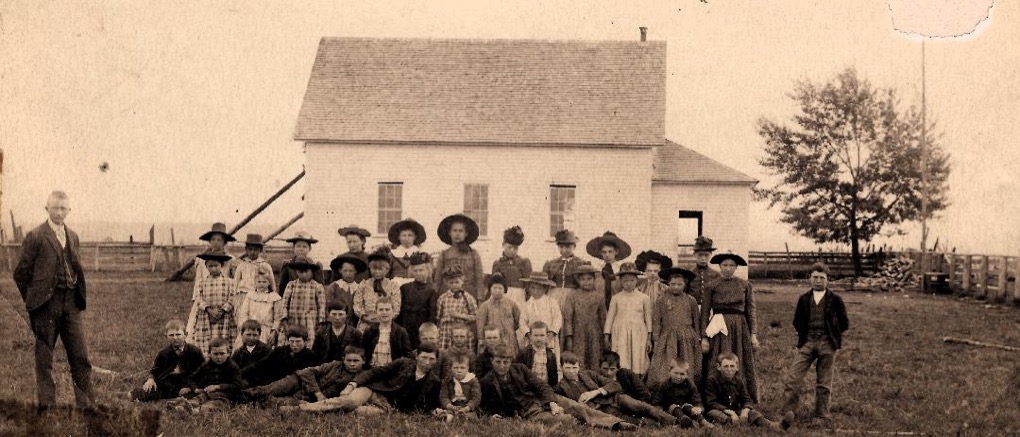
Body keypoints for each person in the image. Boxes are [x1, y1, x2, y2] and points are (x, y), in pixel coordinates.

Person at [13, 191, 97, 412]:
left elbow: (76, 267)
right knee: (44, 359)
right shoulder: (36, 236)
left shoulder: (74, 236)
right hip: (45, 307)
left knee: (80, 356)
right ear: (47, 208)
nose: (59, 212)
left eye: (63, 208)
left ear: (69, 210)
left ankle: (87, 406)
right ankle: (47, 407)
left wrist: (77, 295)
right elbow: (21, 273)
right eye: (55, 208)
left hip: (71, 305)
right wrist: (34, 301)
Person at [478, 344, 633, 430]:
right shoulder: (487, 381)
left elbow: (541, 385)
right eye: (498, 362)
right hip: (529, 412)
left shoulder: (520, 369)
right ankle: (600, 426)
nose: (502, 366)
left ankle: (617, 423)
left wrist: (552, 403)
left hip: (545, 400)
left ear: (510, 361)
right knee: (568, 420)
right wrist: (492, 416)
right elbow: (482, 406)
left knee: (579, 408)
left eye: (506, 362)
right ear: (492, 361)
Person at [782, 262, 850, 421]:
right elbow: (797, 321)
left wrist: (831, 332)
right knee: (793, 378)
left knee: (824, 382)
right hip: (808, 342)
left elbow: (844, 323)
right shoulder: (804, 299)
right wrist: (805, 336)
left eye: (822, 277)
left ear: (828, 280)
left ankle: (821, 415)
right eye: (815, 277)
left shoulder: (836, 300)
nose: (818, 281)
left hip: (827, 343)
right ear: (809, 278)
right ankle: (787, 413)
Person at [298, 342, 443, 415]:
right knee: (348, 401)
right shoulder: (404, 363)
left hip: (388, 408)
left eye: (431, 359)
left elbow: (428, 407)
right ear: (417, 355)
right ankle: (299, 409)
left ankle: (311, 407)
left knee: (352, 412)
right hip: (373, 392)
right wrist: (353, 384)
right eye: (424, 357)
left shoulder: (434, 382)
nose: (427, 362)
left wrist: (439, 412)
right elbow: (375, 372)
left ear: (436, 360)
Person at [699, 251, 760, 402]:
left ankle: (743, 397)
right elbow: (705, 312)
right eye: (725, 265)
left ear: (736, 267)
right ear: (719, 266)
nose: (728, 268)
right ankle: (715, 397)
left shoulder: (745, 285)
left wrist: (753, 334)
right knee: (717, 359)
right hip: (719, 327)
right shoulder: (711, 286)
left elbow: (751, 311)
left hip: (740, 327)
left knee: (741, 359)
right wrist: (704, 337)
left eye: (731, 265)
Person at [243, 345, 369, 406]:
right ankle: (236, 395)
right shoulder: (335, 365)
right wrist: (318, 393)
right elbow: (306, 372)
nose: (352, 364)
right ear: (343, 359)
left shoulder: (363, 377)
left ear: (363, 361)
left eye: (356, 361)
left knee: (279, 402)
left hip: (308, 399)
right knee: (267, 390)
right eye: (349, 360)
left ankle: (250, 403)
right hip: (298, 381)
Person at [580, 351, 678, 427]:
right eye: (605, 369)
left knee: (645, 408)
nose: (609, 373)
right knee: (628, 420)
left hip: (637, 405)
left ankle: (674, 421)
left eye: (612, 369)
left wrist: (635, 408)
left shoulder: (626, 374)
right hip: (616, 410)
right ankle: (655, 424)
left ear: (618, 368)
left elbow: (645, 394)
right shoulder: (598, 378)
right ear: (599, 367)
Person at [704, 353, 791, 429]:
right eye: (726, 366)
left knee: (753, 413)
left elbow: (747, 399)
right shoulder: (712, 380)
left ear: (737, 367)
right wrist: (729, 412)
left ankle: (774, 426)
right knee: (714, 414)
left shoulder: (739, 381)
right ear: (719, 367)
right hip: (719, 410)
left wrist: (745, 411)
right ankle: (734, 423)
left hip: (735, 410)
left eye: (732, 366)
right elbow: (711, 402)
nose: (729, 369)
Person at [647, 267, 701, 387]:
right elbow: (657, 321)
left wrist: (698, 337)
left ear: (685, 284)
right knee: (665, 365)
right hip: (668, 337)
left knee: (687, 363)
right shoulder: (661, 300)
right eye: (673, 284)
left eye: (679, 284)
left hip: (687, 337)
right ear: (668, 284)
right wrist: (656, 339)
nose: (676, 287)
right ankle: (664, 390)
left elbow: (696, 320)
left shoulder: (691, 300)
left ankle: (688, 389)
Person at [130, 320, 204, 402]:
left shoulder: (195, 352)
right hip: (168, 385)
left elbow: (202, 372)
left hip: (187, 384)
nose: (175, 338)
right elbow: (154, 370)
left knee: (193, 394)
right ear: (166, 336)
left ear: (185, 335)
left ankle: (175, 401)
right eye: (171, 335)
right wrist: (151, 379)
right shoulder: (163, 353)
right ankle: (125, 395)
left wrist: (190, 386)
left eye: (178, 334)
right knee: (147, 391)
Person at [186, 222, 235, 342]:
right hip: (205, 300)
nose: (216, 242)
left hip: (223, 300)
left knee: (224, 333)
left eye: (219, 240)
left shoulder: (231, 260)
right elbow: (198, 280)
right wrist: (198, 302)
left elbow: (233, 281)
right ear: (209, 241)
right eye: (213, 239)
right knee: (200, 332)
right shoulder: (202, 260)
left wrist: (225, 307)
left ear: (224, 242)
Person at [170, 338, 244, 413]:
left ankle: (195, 411)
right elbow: (192, 378)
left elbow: (238, 385)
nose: (219, 357)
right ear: (209, 354)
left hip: (226, 396)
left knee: (213, 405)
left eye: (222, 353)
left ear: (228, 353)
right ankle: (181, 407)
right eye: (215, 354)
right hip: (207, 394)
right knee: (198, 399)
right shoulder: (206, 365)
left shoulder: (233, 367)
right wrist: (195, 389)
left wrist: (218, 387)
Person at [603, 263, 652, 375]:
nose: (629, 283)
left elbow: (648, 318)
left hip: (638, 332)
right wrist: (606, 337)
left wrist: (649, 338)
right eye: (625, 281)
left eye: (632, 280)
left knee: (638, 355)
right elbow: (610, 317)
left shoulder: (644, 298)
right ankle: (622, 381)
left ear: (637, 281)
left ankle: (637, 380)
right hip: (620, 332)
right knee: (622, 355)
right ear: (620, 282)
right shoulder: (616, 298)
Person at [192, 250, 238, 356]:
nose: (213, 268)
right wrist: (208, 310)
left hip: (224, 317)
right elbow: (198, 298)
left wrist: (222, 311)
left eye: (216, 266)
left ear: (221, 265)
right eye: (210, 266)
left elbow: (232, 297)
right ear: (206, 266)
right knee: (206, 341)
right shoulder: (201, 282)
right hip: (206, 317)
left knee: (223, 339)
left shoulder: (229, 282)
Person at [242, 326, 319, 388]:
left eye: (298, 341)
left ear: (305, 341)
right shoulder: (280, 351)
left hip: (294, 388)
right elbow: (262, 364)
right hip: (273, 383)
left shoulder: (311, 356)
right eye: (291, 341)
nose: (294, 345)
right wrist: (241, 373)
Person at [562, 263, 606, 372]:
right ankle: (579, 381)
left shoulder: (599, 296)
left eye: (589, 279)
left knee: (595, 357)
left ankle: (594, 381)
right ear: (578, 280)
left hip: (595, 333)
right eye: (583, 279)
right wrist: (569, 337)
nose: (586, 282)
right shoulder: (572, 296)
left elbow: (603, 317)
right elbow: (568, 318)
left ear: (594, 279)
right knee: (578, 357)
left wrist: (605, 336)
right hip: (578, 332)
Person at [432, 214, 485, 301]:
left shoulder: (473, 254)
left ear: (466, 233)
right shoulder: (444, 254)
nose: (457, 234)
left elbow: (479, 279)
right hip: (448, 296)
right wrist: (433, 298)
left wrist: (480, 299)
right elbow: (437, 279)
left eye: (461, 231)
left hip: (468, 296)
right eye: (454, 230)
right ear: (449, 233)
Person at [650, 359, 713, 428]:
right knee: (674, 407)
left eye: (682, 374)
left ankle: (702, 421)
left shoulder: (690, 385)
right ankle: (684, 421)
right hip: (671, 412)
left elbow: (697, 400)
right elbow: (656, 402)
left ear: (687, 375)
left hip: (687, 409)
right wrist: (660, 411)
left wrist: (698, 408)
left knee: (688, 407)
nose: (678, 377)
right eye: (676, 373)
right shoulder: (663, 385)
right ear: (669, 372)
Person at [280, 256, 327, 347]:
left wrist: (321, 323)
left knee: (309, 343)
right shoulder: (291, 285)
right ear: (297, 272)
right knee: (292, 342)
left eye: (306, 271)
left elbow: (321, 306)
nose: (304, 275)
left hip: (310, 321)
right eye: (300, 272)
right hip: (293, 320)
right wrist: (285, 321)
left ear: (312, 271)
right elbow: (284, 304)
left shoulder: (317, 286)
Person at [542, 229, 586, 325]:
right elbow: (546, 282)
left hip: (572, 296)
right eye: (561, 247)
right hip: (554, 296)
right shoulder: (552, 263)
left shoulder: (581, 263)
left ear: (574, 246)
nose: (564, 250)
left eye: (567, 247)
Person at [231, 234, 275, 329]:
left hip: (259, 297)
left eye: (255, 250)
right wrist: (234, 299)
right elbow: (236, 283)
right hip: (243, 296)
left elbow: (272, 284)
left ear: (260, 250)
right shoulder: (242, 265)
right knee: (243, 321)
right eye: (250, 249)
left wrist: (272, 297)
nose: (252, 252)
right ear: (246, 250)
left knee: (257, 321)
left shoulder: (265, 265)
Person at [352, 249, 403, 332]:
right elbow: (357, 304)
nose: (377, 272)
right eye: (374, 269)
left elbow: (396, 307)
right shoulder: (364, 284)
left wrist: (383, 319)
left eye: (380, 269)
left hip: (386, 323)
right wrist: (365, 317)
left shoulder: (393, 286)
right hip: (366, 323)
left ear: (387, 269)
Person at [519, 272, 563, 364]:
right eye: (533, 288)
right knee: (532, 359)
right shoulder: (527, 304)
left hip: (548, 338)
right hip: (533, 338)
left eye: (539, 289)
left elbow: (557, 319)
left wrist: (551, 334)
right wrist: (528, 334)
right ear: (529, 288)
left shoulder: (552, 302)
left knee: (550, 359)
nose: (535, 291)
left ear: (545, 288)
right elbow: (522, 321)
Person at [396, 252, 437, 349]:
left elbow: (432, 313)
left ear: (427, 270)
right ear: (411, 271)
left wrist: (428, 330)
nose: (418, 273)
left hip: (421, 326)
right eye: (415, 270)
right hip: (406, 325)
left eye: (421, 270)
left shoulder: (432, 290)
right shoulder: (404, 288)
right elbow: (399, 309)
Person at [234, 269, 282, 347]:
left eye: (264, 282)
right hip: (250, 329)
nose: (261, 284)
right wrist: (245, 328)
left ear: (269, 283)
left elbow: (278, 317)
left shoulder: (274, 297)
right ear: (255, 282)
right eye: (259, 282)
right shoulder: (250, 295)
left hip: (265, 330)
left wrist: (274, 331)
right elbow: (244, 313)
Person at [476, 273, 521, 355]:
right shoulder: (485, 306)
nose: (497, 291)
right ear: (490, 289)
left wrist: (510, 330)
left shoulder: (512, 304)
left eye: (500, 288)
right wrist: (481, 339)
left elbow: (517, 320)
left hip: (509, 340)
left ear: (505, 289)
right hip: (492, 340)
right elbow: (480, 324)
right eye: (495, 288)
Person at [435, 265, 478, 351]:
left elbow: (475, 316)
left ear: (462, 281)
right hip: (445, 332)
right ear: (446, 283)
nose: (454, 285)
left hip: (461, 333)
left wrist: (459, 315)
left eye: (457, 282)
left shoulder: (468, 298)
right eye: (451, 283)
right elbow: (438, 317)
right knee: (444, 353)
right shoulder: (442, 298)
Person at [362, 298, 414, 367]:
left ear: (393, 311)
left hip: (393, 371)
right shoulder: (369, 331)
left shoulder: (400, 332)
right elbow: (364, 352)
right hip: (373, 370)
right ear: (376, 312)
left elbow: (408, 355)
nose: (384, 312)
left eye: (387, 309)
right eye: (381, 310)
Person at [586, 231, 631, 308]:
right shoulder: (597, 270)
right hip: (599, 307)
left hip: (618, 307)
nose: (607, 255)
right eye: (604, 252)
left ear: (616, 252)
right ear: (600, 253)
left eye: (610, 251)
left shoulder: (621, 270)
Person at [491, 226, 532, 308]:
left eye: (515, 248)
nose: (512, 250)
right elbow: (494, 283)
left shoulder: (524, 262)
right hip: (501, 295)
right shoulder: (498, 263)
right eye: (509, 247)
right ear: (503, 245)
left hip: (518, 297)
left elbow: (528, 285)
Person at [436, 352, 482, 421]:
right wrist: (450, 406)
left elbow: (476, 398)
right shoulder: (447, 380)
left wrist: (467, 408)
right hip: (452, 406)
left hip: (467, 407)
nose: (459, 370)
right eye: (456, 367)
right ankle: (448, 417)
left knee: (471, 415)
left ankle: (462, 418)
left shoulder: (472, 380)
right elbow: (443, 396)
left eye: (462, 368)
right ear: (451, 368)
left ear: (468, 368)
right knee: (445, 413)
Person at [325, 254, 367, 326]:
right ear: (340, 270)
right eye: (345, 271)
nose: (348, 273)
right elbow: (327, 306)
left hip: (354, 323)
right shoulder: (334, 286)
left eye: (351, 271)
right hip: (336, 321)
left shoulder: (359, 288)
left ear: (355, 271)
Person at [278, 231, 324, 296]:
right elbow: (282, 287)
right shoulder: (287, 265)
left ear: (310, 248)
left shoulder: (316, 265)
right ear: (293, 248)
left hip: (310, 299)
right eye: (298, 246)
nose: (301, 249)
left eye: (304, 247)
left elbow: (320, 288)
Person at [515, 321, 558, 387]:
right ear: (530, 336)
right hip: (528, 389)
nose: (538, 338)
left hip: (545, 388)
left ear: (547, 336)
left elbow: (553, 378)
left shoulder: (551, 355)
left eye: (542, 335)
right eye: (536, 335)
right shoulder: (524, 353)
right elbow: (518, 374)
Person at [385, 218, 426, 286]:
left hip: (415, 288)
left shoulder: (421, 255)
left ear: (415, 237)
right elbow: (386, 276)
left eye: (410, 235)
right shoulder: (392, 255)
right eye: (403, 235)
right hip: (396, 288)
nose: (407, 239)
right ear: (399, 237)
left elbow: (427, 277)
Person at [634, 250, 672, 315]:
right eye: (649, 270)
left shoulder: (666, 289)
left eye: (656, 271)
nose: (652, 273)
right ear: (645, 270)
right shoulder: (639, 289)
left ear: (661, 271)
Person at [687, 236, 721, 306]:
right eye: (700, 255)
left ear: (710, 255)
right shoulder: (688, 274)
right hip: (692, 309)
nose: (703, 258)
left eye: (706, 255)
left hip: (710, 309)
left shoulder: (716, 274)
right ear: (694, 255)